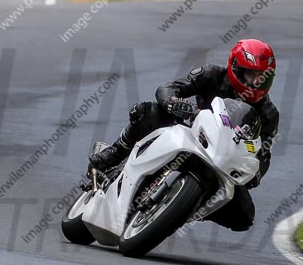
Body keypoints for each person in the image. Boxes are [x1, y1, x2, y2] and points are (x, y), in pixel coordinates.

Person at [90, 38, 279, 232]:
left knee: (244, 216)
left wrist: (256, 174)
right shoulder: (212, 74)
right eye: (251, 74)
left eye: (262, 76)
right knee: (148, 113)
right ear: (236, 68)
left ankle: (186, 207)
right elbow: (169, 88)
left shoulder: (269, 114)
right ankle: (114, 152)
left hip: (222, 158)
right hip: (189, 130)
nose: (257, 81)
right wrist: (173, 101)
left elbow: (262, 153)